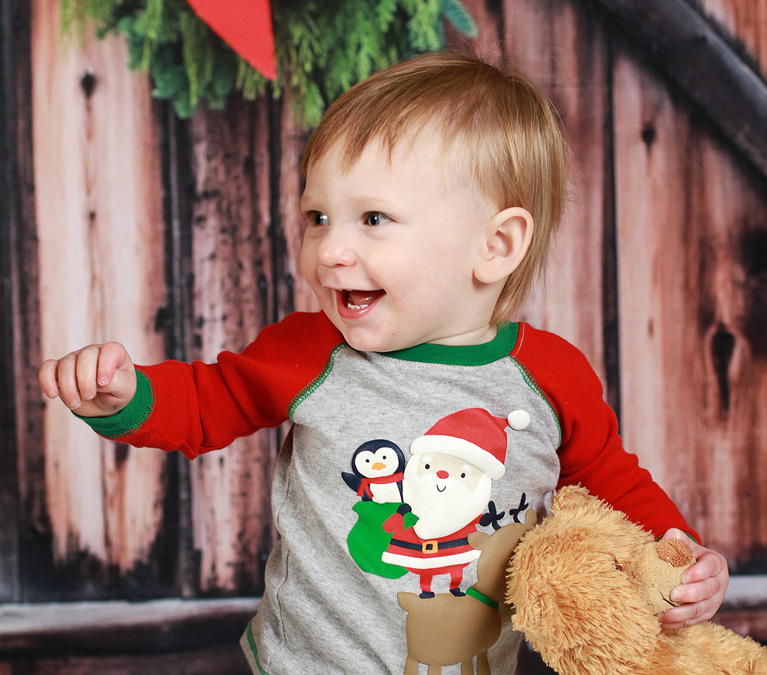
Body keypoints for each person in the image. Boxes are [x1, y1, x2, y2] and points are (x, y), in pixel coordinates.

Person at [39, 52, 728, 674]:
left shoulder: (549, 375)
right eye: (317, 216)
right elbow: (207, 402)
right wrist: (125, 396)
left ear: (495, 245)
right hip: (302, 663)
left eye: (372, 219)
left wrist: (680, 556)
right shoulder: (312, 351)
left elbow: (610, 480)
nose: (330, 249)